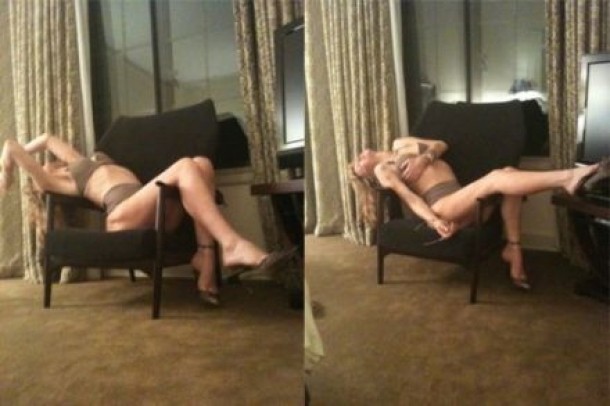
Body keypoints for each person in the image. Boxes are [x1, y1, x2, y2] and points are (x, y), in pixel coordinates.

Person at [0, 134, 294, 306]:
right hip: (122, 218)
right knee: (184, 166)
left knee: (201, 163)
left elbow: (47, 138)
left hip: (153, 209)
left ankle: (206, 256)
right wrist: (6, 168)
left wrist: (31, 150)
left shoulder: (77, 163)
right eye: (41, 167)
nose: (45, 163)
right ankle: (230, 245)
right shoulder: (54, 183)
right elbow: (12, 147)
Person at [350, 135, 605, 290]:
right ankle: (567, 178)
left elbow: (440, 144)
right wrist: (434, 221)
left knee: (509, 173)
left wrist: (424, 159)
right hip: (443, 206)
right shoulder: (383, 170)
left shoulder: (400, 144)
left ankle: (513, 248)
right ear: (366, 175)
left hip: (467, 205)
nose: (359, 157)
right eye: (357, 165)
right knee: (496, 178)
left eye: (357, 157)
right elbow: (410, 198)